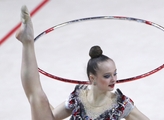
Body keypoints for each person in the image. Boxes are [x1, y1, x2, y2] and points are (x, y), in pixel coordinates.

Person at [16, 5, 150, 120]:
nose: (114, 79)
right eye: (107, 76)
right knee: (39, 100)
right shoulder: (78, 97)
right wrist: (41, 105)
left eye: (115, 74)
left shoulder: (121, 104)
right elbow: (51, 117)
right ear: (93, 78)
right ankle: (27, 41)